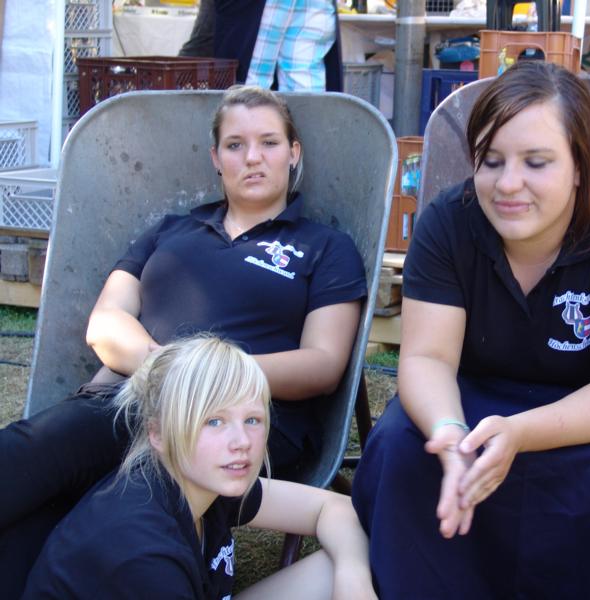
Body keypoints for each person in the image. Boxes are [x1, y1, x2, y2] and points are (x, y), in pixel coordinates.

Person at [0, 85, 366, 597]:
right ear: (216, 158)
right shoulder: (172, 231)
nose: (253, 157)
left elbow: (322, 364)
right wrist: (171, 372)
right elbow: (105, 323)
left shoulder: (323, 247)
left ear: (293, 151)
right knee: (44, 466)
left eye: (269, 142)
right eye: (235, 145)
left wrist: (207, 383)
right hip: (131, 397)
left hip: (234, 416)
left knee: (60, 456)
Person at [351, 60, 590, 599]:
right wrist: (449, 431)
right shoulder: (447, 223)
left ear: (579, 165)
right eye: (491, 161)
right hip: (476, 392)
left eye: (536, 162)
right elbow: (427, 358)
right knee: (401, 442)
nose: (508, 184)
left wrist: (520, 433)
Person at [23, 335, 377, 599]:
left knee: (343, 563)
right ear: (158, 434)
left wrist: (353, 579)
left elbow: (333, 508)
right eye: (214, 421)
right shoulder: (144, 555)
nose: (241, 441)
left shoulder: (204, 479)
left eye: (252, 419)